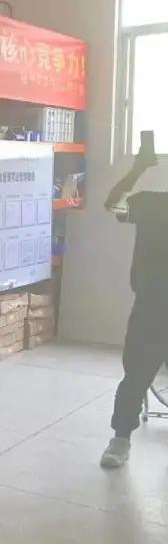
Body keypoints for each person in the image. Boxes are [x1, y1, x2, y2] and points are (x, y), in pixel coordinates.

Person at [100, 149, 168, 468]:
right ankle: (121, 438)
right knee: (136, 374)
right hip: (152, 305)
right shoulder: (151, 203)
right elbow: (112, 204)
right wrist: (136, 170)